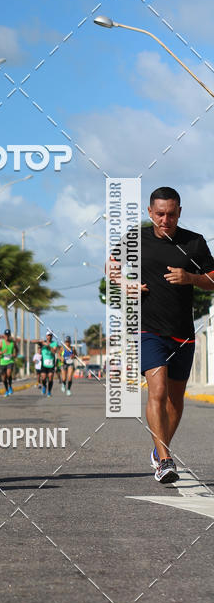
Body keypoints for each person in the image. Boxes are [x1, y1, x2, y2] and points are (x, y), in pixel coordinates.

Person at [127, 187, 214, 483]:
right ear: (150, 212)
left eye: (171, 214)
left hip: (183, 332)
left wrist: (190, 278)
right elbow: (111, 267)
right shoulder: (136, 240)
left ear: (179, 212)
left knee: (176, 401)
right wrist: (126, 283)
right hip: (149, 329)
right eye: (160, 214)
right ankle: (165, 460)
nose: (165, 219)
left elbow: (213, 279)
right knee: (158, 390)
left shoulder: (194, 242)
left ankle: (159, 449)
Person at [0, 329, 16, 396]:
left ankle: (10, 386)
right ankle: (6, 390)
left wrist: (14, 354)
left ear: (10, 335)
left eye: (8, 335)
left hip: (10, 361)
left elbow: (17, 350)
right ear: (4, 335)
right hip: (3, 362)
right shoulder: (1, 343)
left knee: (9, 373)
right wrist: (2, 352)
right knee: (3, 378)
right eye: (6, 335)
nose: (7, 336)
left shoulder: (13, 343)